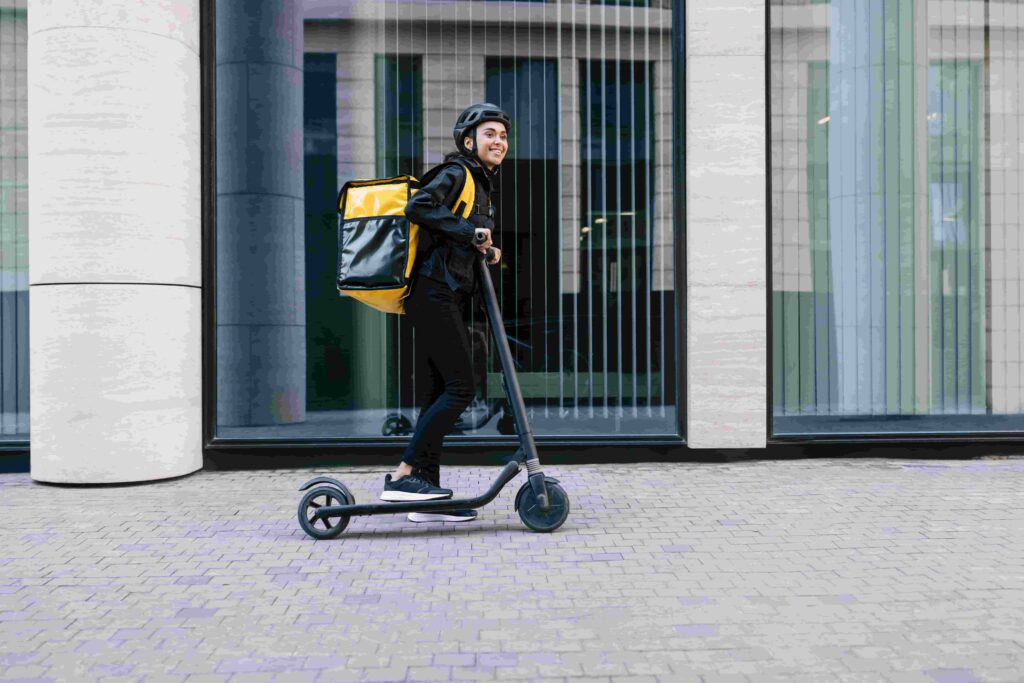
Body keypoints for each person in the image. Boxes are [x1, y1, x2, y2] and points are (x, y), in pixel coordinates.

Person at [379, 103, 510, 523]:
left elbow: (456, 234)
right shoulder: (458, 172)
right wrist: (470, 232)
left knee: (439, 393)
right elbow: (418, 206)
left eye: (504, 136)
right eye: (490, 134)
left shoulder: (481, 184)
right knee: (462, 387)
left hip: (444, 293)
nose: (499, 142)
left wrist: (484, 248)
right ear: (469, 141)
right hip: (433, 292)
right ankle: (403, 476)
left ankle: (425, 493)